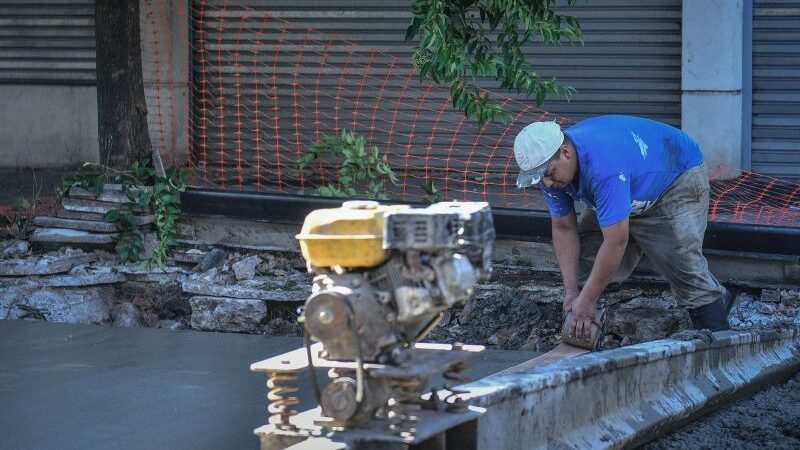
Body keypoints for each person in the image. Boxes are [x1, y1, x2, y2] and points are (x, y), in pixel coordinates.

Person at [513, 115, 731, 343]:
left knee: (681, 263)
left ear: (566, 152)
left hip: (674, 177)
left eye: (548, 174)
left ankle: (719, 335)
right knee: (587, 261)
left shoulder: (603, 166)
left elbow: (616, 241)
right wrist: (571, 293)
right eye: (540, 178)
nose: (546, 184)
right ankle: (583, 342)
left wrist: (586, 300)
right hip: (625, 183)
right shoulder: (553, 172)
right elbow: (563, 228)